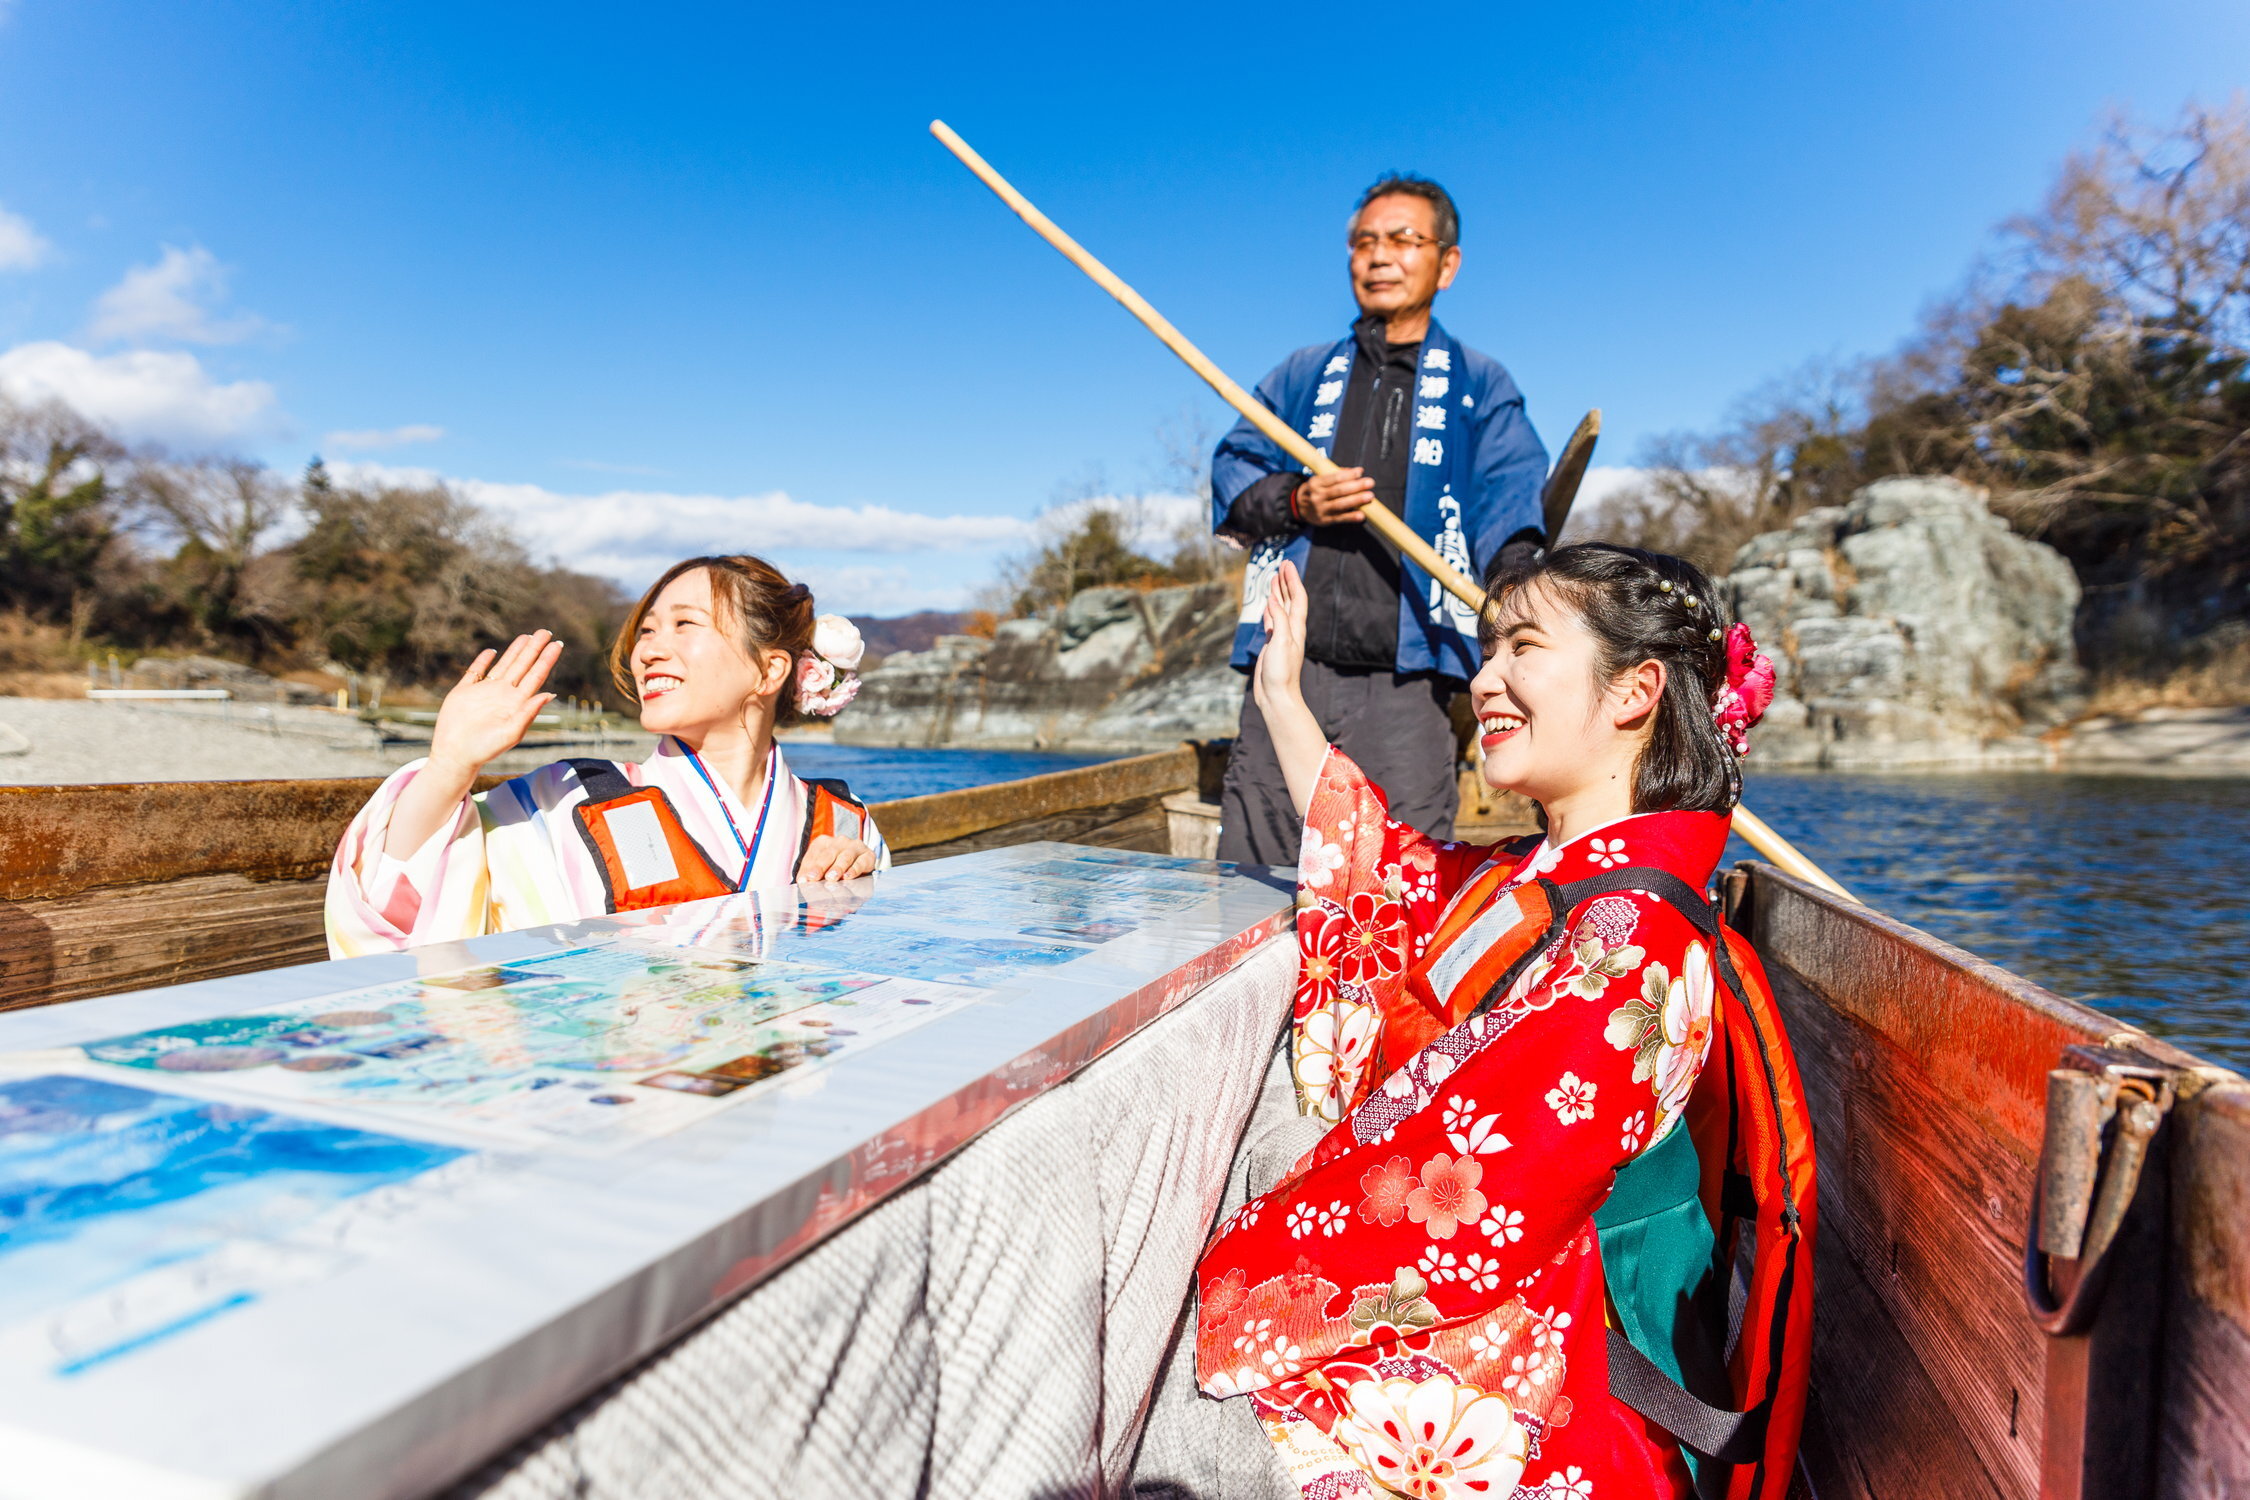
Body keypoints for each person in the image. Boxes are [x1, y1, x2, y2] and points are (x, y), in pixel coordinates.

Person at [1191, 545, 1814, 1499]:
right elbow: (1391, 874)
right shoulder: (1542, 875)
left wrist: (1264, 1262)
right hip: (1502, 1305)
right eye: (1487, 652)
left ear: (1634, 692)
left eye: (1523, 646)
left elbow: (1479, 1189)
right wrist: (1283, 695)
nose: (1484, 679)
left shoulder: (1632, 938)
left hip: (1552, 1374)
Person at [1211, 173, 1549, 866]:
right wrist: (1297, 500)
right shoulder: (1300, 377)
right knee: (1256, 873)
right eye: (1365, 241)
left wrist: (1517, 592)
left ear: (1446, 263)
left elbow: (1510, 497)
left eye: (1403, 239)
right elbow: (1233, 470)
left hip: (1409, 683)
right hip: (1288, 672)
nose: (1380, 256)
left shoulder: (1479, 384)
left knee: (1403, 880)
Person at [327, 554, 887, 957]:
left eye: (684, 624)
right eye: (645, 631)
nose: (649, 650)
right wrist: (450, 765)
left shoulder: (843, 820)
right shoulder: (565, 797)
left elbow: (887, 972)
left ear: (769, 670)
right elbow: (398, 908)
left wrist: (864, 894)